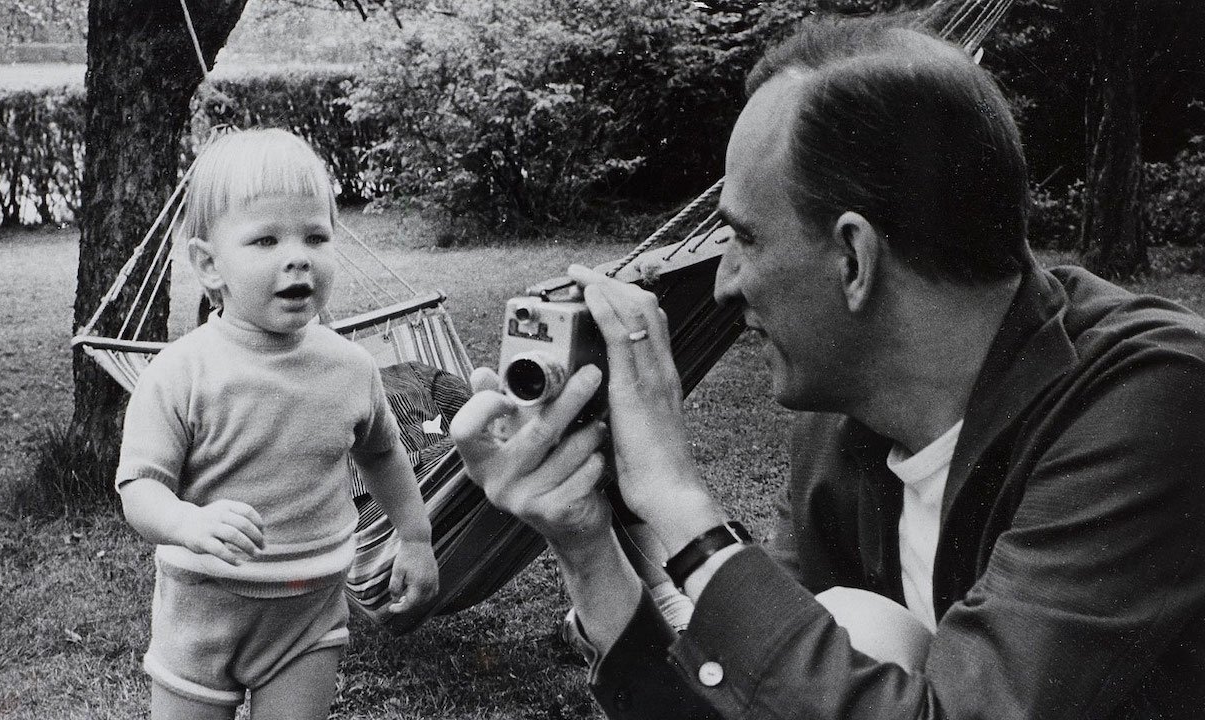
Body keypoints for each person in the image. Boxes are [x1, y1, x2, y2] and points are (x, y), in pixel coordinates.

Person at [450, 13, 1205, 720]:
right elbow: (755, 699)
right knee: (852, 627)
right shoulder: (845, 425)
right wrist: (584, 545)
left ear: (853, 258)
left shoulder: (1154, 399)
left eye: (744, 239)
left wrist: (678, 502)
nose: (722, 285)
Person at [114, 128, 438, 720]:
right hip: (203, 613)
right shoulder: (180, 373)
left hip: (308, 617)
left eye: (316, 236)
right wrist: (187, 521)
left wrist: (415, 538)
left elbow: (383, 454)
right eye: (266, 239)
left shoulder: (351, 367)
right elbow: (139, 489)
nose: (298, 256)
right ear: (209, 265)